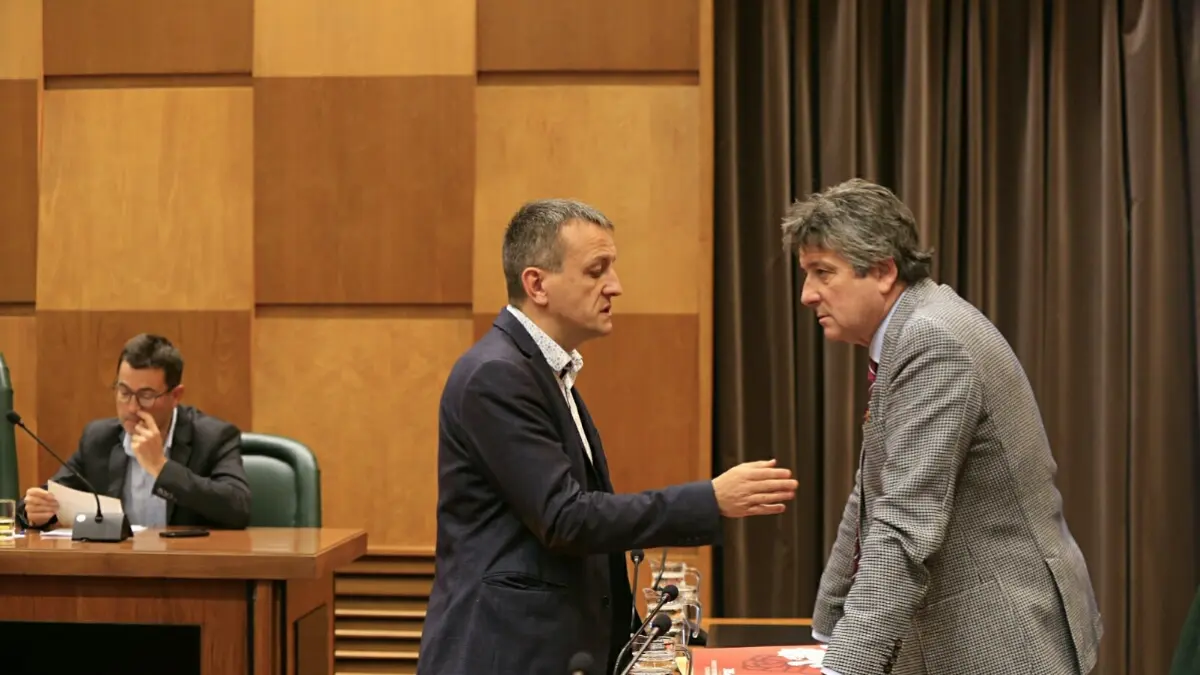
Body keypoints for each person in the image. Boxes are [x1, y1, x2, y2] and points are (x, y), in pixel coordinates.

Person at [418, 199, 799, 675]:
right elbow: (566, 518)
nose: (615, 286)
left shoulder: (542, 371)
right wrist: (710, 498)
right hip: (503, 654)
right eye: (596, 271)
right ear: (537, 284)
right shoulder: (497, 375)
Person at [784, 179, 1103, 675]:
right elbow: (871, 494)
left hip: (1001, 639)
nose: (807, 295)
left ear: (884, 271)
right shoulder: (913, 328)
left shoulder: (933, 340)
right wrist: (829, 628)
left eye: (823, 273)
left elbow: (904, 520)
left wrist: (845, 666)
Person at [17, 333, 251, 531]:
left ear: (175, 396)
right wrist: (35, 512)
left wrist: (161, 467)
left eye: (146, 396)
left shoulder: (213, 438)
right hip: (118, 565)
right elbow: (51, 496)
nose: (131, 407)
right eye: (124, 392)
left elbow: (238, 508)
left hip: (187, 566)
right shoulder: (99, 439)